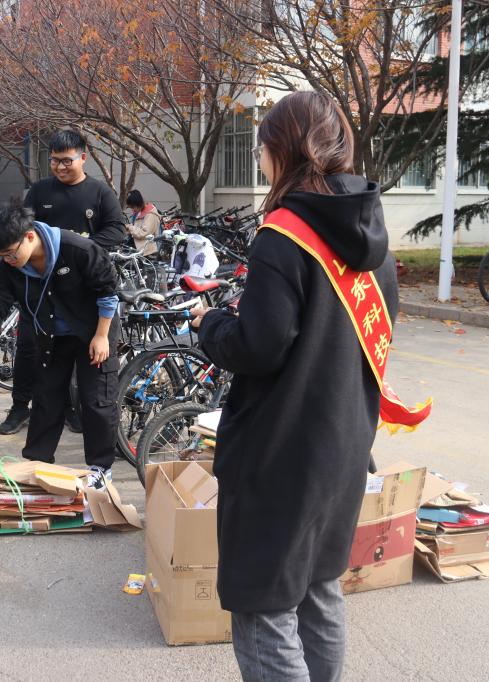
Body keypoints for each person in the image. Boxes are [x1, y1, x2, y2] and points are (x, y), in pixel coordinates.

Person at [191, 91, 401, 681]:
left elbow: (259, 347)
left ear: (282, 150)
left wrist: (212, 326)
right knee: (319, 588)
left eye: (261, 148)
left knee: (265, 606)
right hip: (344, 445)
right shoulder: (373, 240)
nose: (259, 160)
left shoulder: (284, 235)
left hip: (281, 449)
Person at [0, 204, 120, 490]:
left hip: (94, 331)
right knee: (46, 396)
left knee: (96, 398)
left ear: (29, 236)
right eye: (1, 256)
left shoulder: (77, 249)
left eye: (11, 253)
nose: (8, 260)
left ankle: (100, 469)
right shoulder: (9, 268)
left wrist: (102, 335)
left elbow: (108, 291)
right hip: (50, 335)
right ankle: (36, 464)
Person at [1, 129, 126, 437]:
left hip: (80, 285)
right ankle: (20, 406)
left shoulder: (100, 192)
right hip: (39, 284)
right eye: (55, 160)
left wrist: (82, 248)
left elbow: (117, 230)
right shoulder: (40, 190)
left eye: (66, 161)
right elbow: (22, 227)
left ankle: (72, 408)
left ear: (83, 157)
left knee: (73, 349)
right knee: (28, 345)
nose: (59, 167)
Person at [125, 189, 160, 256]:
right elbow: (136, 227)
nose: (132, 209)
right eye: (130, 207)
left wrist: (129, 227)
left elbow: (144, 233)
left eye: (133, 207)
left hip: (147, 252)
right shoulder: (139, 212)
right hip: (139, 248)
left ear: (138, 203)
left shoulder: (151, 214)